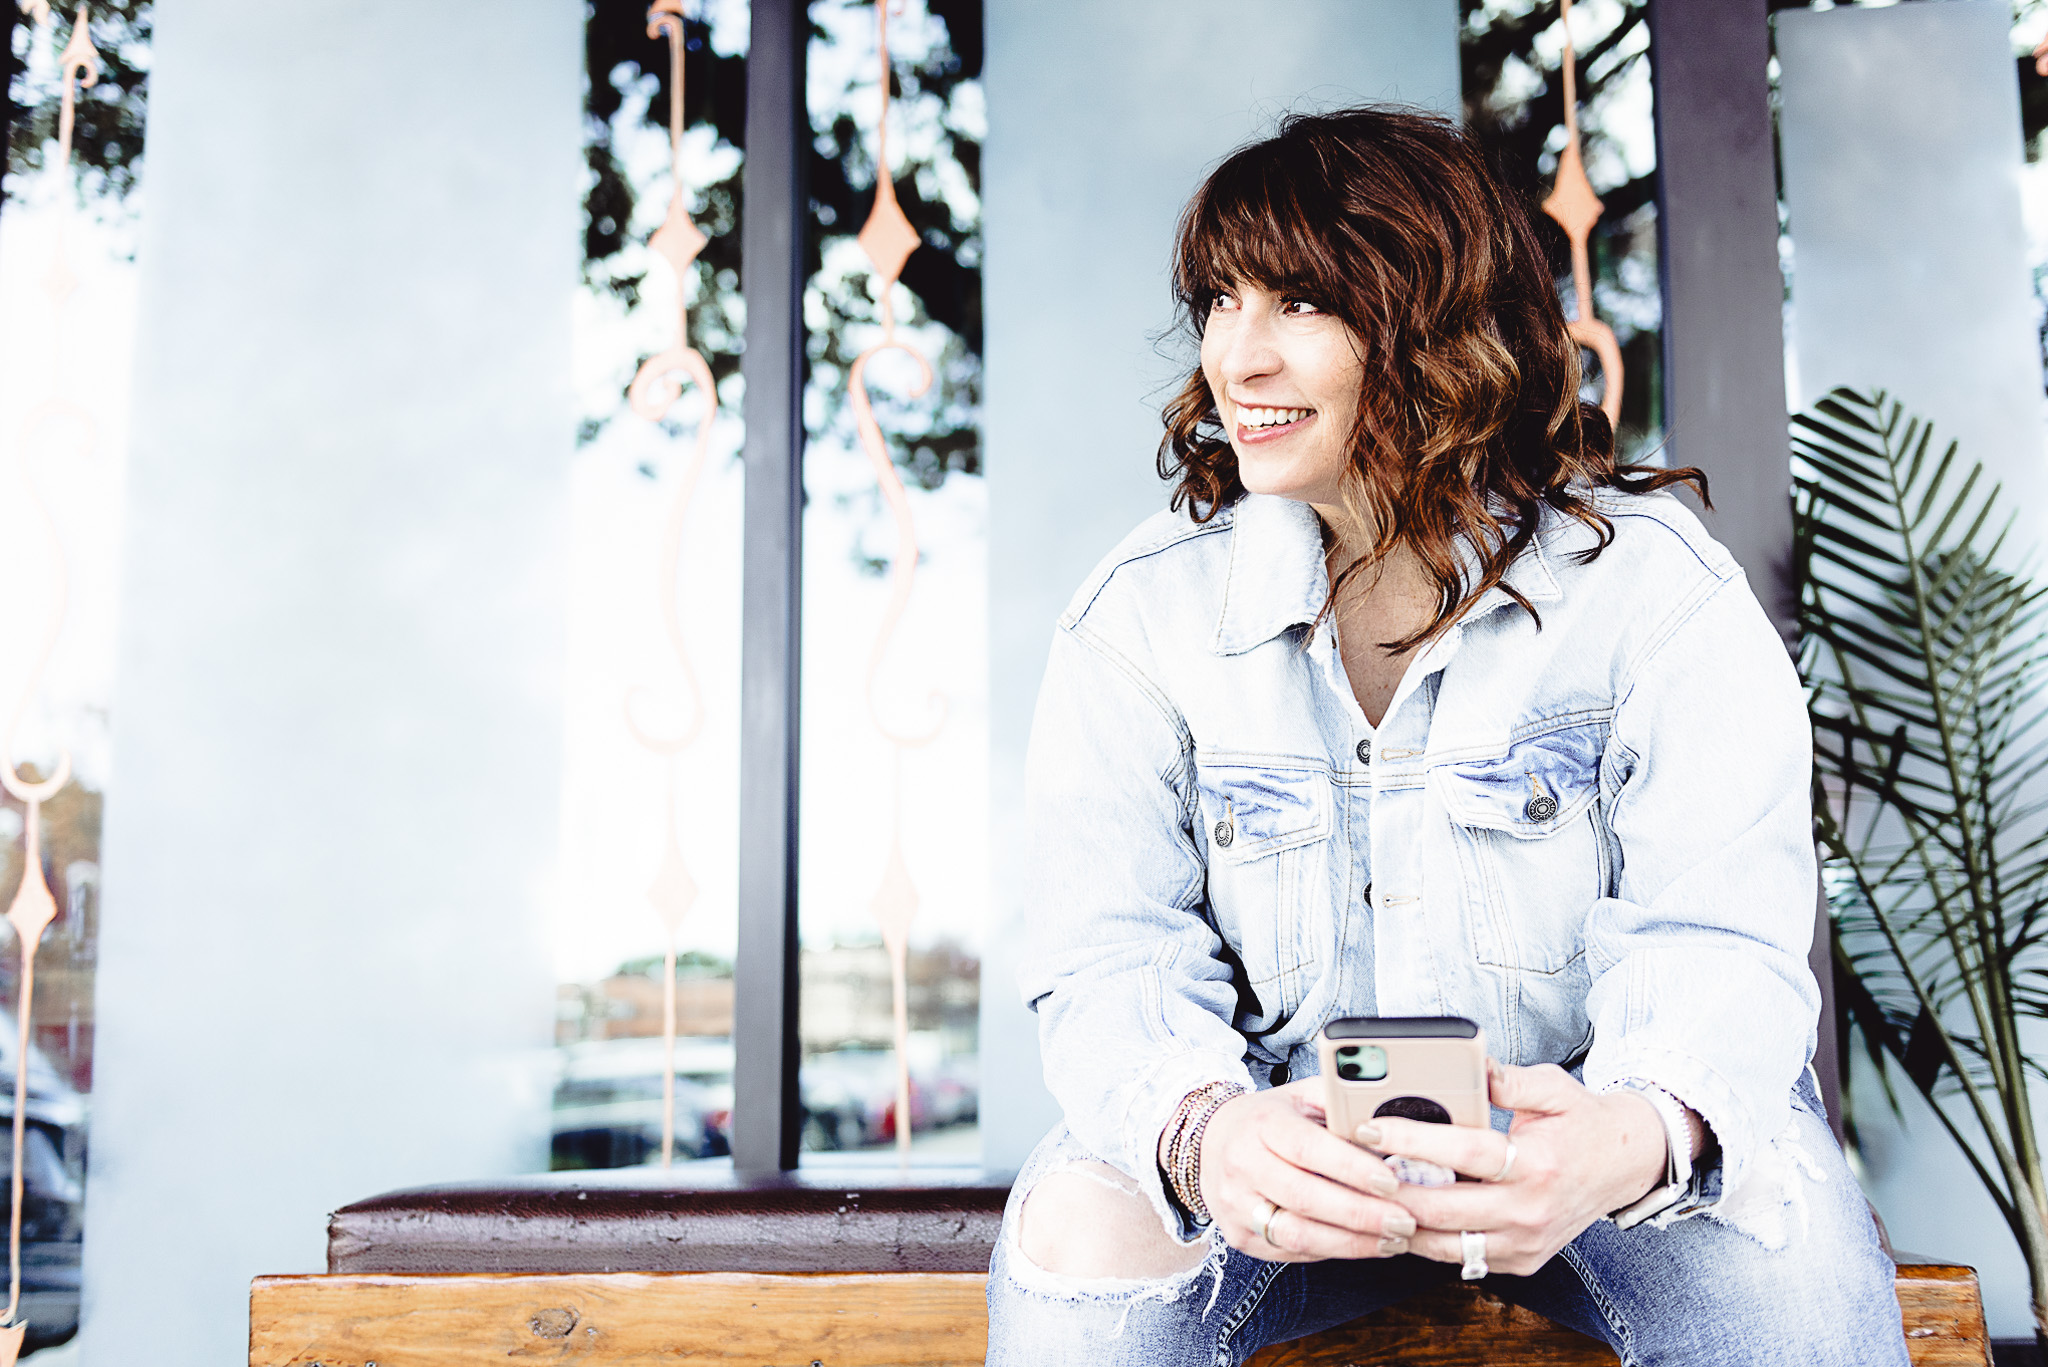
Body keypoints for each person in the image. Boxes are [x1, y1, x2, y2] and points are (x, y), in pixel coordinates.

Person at [984, 107, 1908, 1366]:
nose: (1234, 358)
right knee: (1075, 1248)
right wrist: (1203, 1130)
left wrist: (1631, 1132)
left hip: (1600, 1121)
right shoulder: (1138, 619)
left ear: (1436, 320)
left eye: (1298, 303)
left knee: (1787, 1291)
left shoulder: (1652, 594)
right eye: (1216, 300)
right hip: (1278, 1136)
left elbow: (1718, 940)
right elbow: (1108, 957)